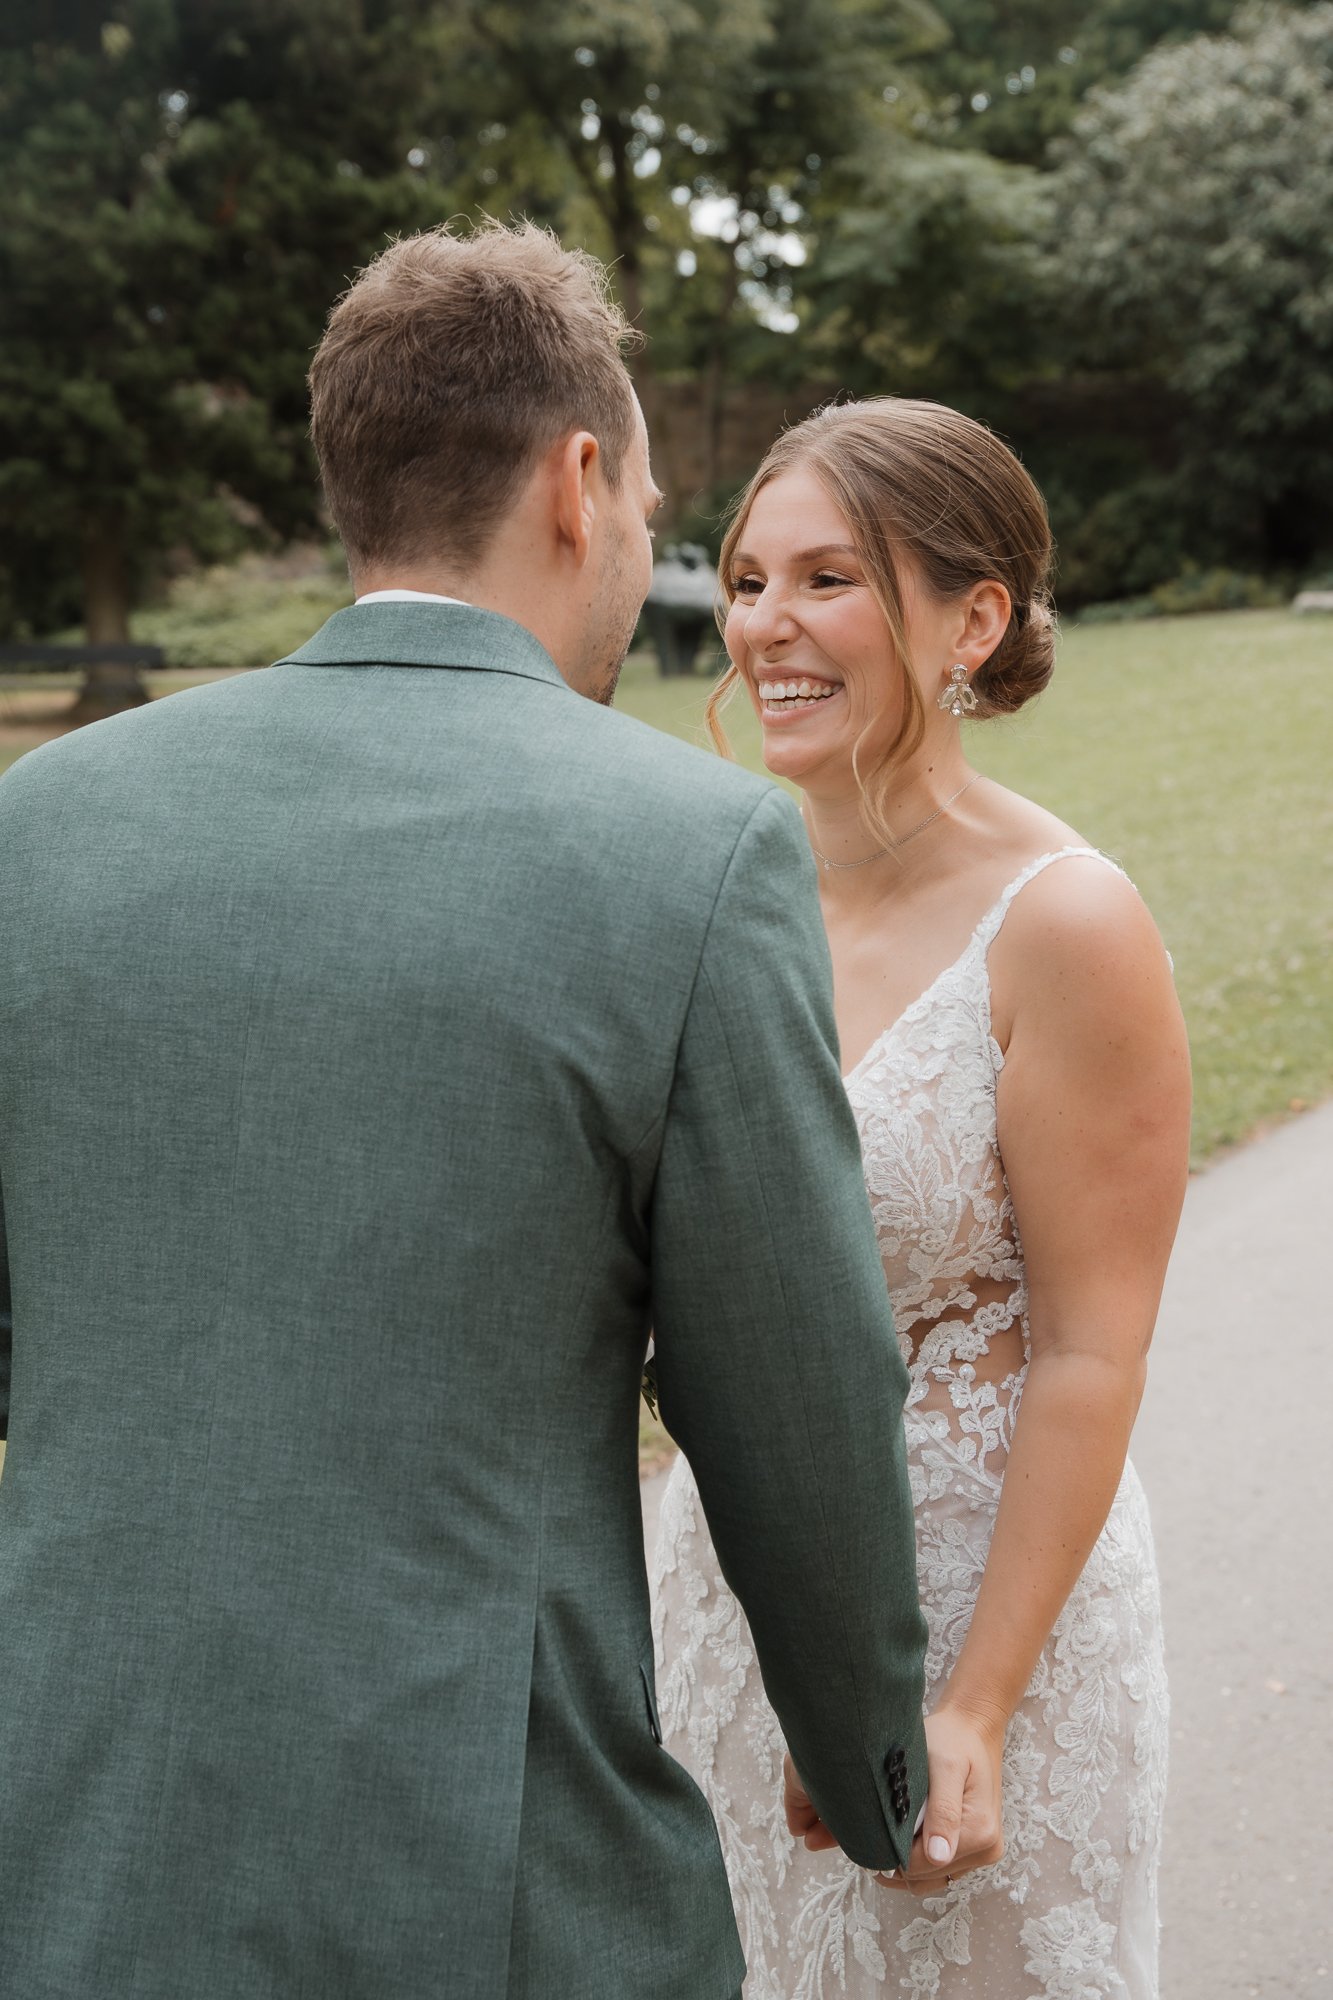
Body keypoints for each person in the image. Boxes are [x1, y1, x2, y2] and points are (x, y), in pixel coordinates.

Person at [0, 225, 930, 2000]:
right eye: (653, 497)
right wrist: (867, 1756)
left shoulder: (44, 821)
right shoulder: (692, 846)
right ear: (577, 483)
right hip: (483, 1880)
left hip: (70, 1843)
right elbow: (794, 1395)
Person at [651, 398, 1192, 1999]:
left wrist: (974, 1702)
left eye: (826, 579)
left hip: (985, 1620)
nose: (763, 627)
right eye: (746, 581)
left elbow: (1093, 1349)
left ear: (972, 618)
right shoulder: (702, 890)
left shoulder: (1065, 924)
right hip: (724, 1608)